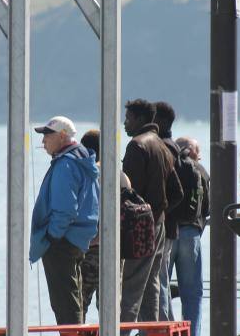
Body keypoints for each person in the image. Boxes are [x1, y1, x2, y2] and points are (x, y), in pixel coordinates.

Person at [30, 116, 99, 326]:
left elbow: (65, 208)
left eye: (47, 136)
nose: (43, 142)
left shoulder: (65, 164)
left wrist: (52, 236)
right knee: (72, 297)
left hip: (62, 241)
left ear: (62, 136)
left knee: (64, 302)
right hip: (78, 239)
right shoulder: (82, 159)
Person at [121, 99, 181, 324]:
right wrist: (157, 213)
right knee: (151, 285)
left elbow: (128, 194)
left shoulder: (137, 146)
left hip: (138, 228)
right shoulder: (162, 146)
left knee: (130, 286)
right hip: (159, 226)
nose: (125, 124)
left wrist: (143, 215)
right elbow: (177, 193)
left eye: (128, 119)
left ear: (140, 120)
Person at [79, 129, 130, 321]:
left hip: (89, 248)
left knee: (80, 305)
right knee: (110, 307)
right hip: (114, 249)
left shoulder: (86, 174)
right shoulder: (121, 176)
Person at [170, 136, 209, 336]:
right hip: (191, 233)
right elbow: (207, 207)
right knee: (192, 292)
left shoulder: (170, 166)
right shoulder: (201, 171)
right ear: (194, 151)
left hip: (168, 233)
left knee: (162, 289)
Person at [153, 101, 185, 322]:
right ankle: (167, 331)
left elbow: (176, 192)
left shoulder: (164, 148)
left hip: (164, 225)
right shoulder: (172, 147)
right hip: (171, 226)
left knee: (159, 281)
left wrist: (157, 214)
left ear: (162, 122)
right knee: (161, 280)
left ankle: (164, 333)